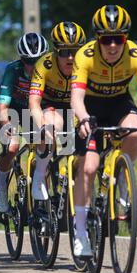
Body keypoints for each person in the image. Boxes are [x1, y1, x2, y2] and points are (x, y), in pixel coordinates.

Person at [70, 5, 137, 257]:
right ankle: (80, 231)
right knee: (89, 168)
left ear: (126, 38)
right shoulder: (85, 56)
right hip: (89, 108)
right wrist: (82, 120)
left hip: (119, 103)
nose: (112, 45)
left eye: (119, 38)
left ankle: (122, 174)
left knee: (134, 132)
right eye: (106, 39)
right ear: (97, 38)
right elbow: (76, 98)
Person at [29, 21, 86, 202]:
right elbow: (34, 102)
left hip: (76, 108)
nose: (70, 57)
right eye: (64, 52)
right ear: (55, 51)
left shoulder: (87, 65)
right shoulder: (44, 65)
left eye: (75, 51)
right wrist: (43, 126)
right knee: (52, 126)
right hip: (50, 107)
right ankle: (39, 176)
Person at [0, 32, 49, 213]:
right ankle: (1, 189)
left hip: (35, 111)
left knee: (47, 146)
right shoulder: (13, 70)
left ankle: (43, 201)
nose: (33, 66)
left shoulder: (50, 70)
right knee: (12, 147)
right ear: (21, 59)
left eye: (38, 61)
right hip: (12, 110)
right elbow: (3, 103)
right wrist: (5, 123)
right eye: (28, 61)